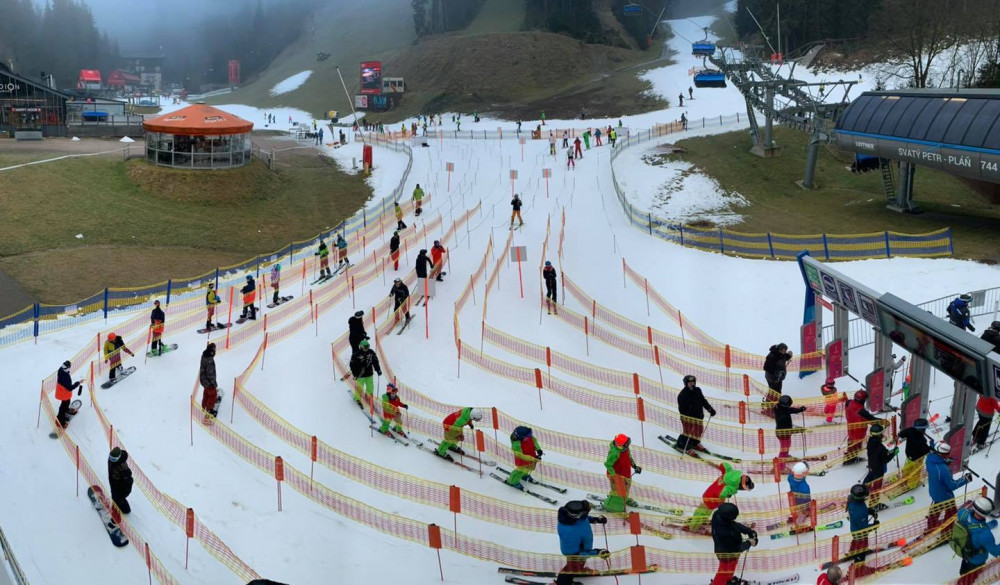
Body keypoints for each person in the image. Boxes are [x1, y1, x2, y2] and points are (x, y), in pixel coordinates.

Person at [688, 462, 754, 533]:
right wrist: (722, 506)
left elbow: (726, 466)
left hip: (708, 493)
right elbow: (723, 493)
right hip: (712, 500)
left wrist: (718, 465)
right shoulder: (732, 487)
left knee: (701, 509)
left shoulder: (729, 473)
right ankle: (693, 527)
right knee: (704, 513)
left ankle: (696, 520)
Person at [555, 500, 608, 585]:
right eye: (584, 513)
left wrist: (596, 519)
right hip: (576, 554)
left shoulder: (574, 518)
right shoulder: (569, 531)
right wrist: (597, 552)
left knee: (580, 563)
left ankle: (579, 570)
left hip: (583, 548)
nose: (585, 515)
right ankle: (562, 583)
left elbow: (585, 519)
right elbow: (577, 554)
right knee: (570, 569)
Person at [926, 442, 972, 533]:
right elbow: (952, 485)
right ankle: (946, 532)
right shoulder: (944, 469)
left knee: (936, 508)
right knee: (951, 513)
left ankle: (931, 526)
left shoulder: (929, 459)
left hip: (934, 491)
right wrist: (965, 479)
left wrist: (945, 461)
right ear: (944, 454)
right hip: (945, 496)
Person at [710, 503, 757, 585]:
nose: (735, 518)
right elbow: (736, 548)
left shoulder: (718, 514)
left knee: (730, 569)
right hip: (726, 554)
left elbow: (733, 524)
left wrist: (748, 531)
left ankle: (727, 581)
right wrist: (749, 542)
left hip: (727, 551)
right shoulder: (725, 533)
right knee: (724, 572)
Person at [955, 498, 1000, 585]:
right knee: (971, 577)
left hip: (964, 552)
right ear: (987, 514)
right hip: (977, 560)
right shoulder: (985, 534)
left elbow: (962, 511)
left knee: (964, 571)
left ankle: (962, 576)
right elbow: (995, 551)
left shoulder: (963, 514)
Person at [675, 374, 716, 455]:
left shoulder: (698, 390)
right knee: (688, 432)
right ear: (686, 383)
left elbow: (703, 401)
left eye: (693, 382)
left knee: (698, 431)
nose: (692, 384)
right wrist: (688, 415)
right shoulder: (682, 395)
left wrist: (710, 409)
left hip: (698, 416)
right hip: (687, 418)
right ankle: (682, 445)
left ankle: (695, 443)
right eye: (689, 383)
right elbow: (681, 409)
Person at [603, 434, 641, 512]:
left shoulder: (625, 449)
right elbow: (608, 464)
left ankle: (624, 499)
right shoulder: (614, 453)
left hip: (626, 474)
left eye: (627, 445)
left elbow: (629, 457)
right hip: (616, 476)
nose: (627, 447)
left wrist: (634, 466)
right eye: (625, 446)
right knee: (617, 492)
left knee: (626, 489)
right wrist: (614, 475)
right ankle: (610, 505)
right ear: (620, 445)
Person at [863, 424, 897, 510]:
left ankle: (863, 491)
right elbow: (885, 459)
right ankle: (874, 503)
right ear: (879, 435)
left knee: (869, 478)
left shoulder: (870, 441)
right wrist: (893, 453)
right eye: (882, 433)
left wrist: (888, 452)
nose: (883, 435)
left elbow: (879, 454)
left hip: (871, 465)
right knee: (877, 485)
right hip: (878, 469)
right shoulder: (880, 447)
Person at [896, 418, 931, 494]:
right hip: (917, 458)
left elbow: (901, 434)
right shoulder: (921, 440)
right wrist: (930, 448)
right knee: (915, 471)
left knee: (907, 468)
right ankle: (912, 485)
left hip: (909, 455)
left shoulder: (910, 431)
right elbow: (924, 451)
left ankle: (904, 480)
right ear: (922, 430)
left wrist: (900, 434)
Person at [846, 484, 879, 563]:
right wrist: (874, 526)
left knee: (855, 540)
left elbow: (858, 509)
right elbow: (864, 529)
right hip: (860, 533)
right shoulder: (860, 512)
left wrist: (868, 511)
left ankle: (852, 552)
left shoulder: (852, 500)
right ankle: (859, 564)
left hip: (854, 528)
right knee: (862, 545)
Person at [845, 390, 877, 465]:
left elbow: (847, 404)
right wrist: (883, 422)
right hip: (859, 432)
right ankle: (850, 460)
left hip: (851, 429)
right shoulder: (862, 412)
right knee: (856, 446)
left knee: (851, 443)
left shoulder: (849, 403)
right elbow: (872, 420)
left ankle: (850, 457)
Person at [507, 426, 542, 490]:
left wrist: (538, 449)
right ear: (522, 437)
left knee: (528, 469)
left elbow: (534, 441)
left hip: (531, 457)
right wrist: (533, 459)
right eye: (528, 435)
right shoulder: (516, 444)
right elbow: (520, 455)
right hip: (522, 460)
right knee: (520, 471)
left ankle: (524, 476)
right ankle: (513, 481)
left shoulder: (528, 437)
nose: (530, 436)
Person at [349, 339, 382, 408]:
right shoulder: (356, 354)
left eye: (368, 346)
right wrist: (354, 374)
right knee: (360, 387)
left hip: (369, 373)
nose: (366, 348)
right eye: (365, 347)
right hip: (360, 375)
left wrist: (378, 369)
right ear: (361, 347)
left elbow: (375, 361)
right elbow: (352, 365)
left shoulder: (371, 352)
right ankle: (357, 398)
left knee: (370, 387)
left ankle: (369, 397)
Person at [775, 394, 807, 463]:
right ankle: (781, 466)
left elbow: (790, 410)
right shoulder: (783, 416)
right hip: (783, 435)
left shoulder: (779, 408)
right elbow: (787, 430)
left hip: (783, 433)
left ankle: (785, 457)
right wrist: (798, 430)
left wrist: (799, 410)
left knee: (787, 445)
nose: (789, 406)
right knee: (784, 450)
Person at [762, 343, 792, 413]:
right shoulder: (772, 356)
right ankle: (770, 408)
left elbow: (784, 357)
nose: (785, 352)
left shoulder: (781, 354)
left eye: (786, 351)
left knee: (777, 392)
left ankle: (776, 405)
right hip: (772, 378)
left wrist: (789, 355)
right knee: (773, 392)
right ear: (779, 349)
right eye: (784, 350)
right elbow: (766, 367)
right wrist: (776, 372)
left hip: (778, 377)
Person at [56, 360, 83, 427]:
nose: (70, 369)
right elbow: (70, 388)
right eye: (69, 367)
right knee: (63, 406)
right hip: (63, 393)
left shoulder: (61, 369)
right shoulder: (65, 377)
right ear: (67, 368)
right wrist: (78, 383)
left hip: (63, 391)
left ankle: (66, 410)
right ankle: (60, 420)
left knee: (66, 403)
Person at [108, 447, 133, 514]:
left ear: (118, 458)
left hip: (121, 488)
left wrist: (122, 493)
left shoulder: (123, 469)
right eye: (110, 458)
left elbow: (128, 482)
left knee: (117, 501)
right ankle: (126, 510)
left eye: (113, 459)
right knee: (119, 499)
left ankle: (115, 517)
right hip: (114, 483)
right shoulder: (113, 461)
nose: (111, 460)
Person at [788, 462, 811, 529]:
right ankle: (800, 522)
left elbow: (792, 474)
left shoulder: (790, 478)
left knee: (796, 506)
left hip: (794, 496)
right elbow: (805, 499)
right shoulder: (805, 487)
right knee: (804, 509)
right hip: (803, 498)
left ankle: (794, 514)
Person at [199, 343, 218, 423]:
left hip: (203, 380)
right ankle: (209, 410)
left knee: (206, 393)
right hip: (209, 381)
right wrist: (214, 384)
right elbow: (211, 374)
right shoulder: (210, 360)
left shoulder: (204, 355)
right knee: (213, 395)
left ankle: (204, 406)